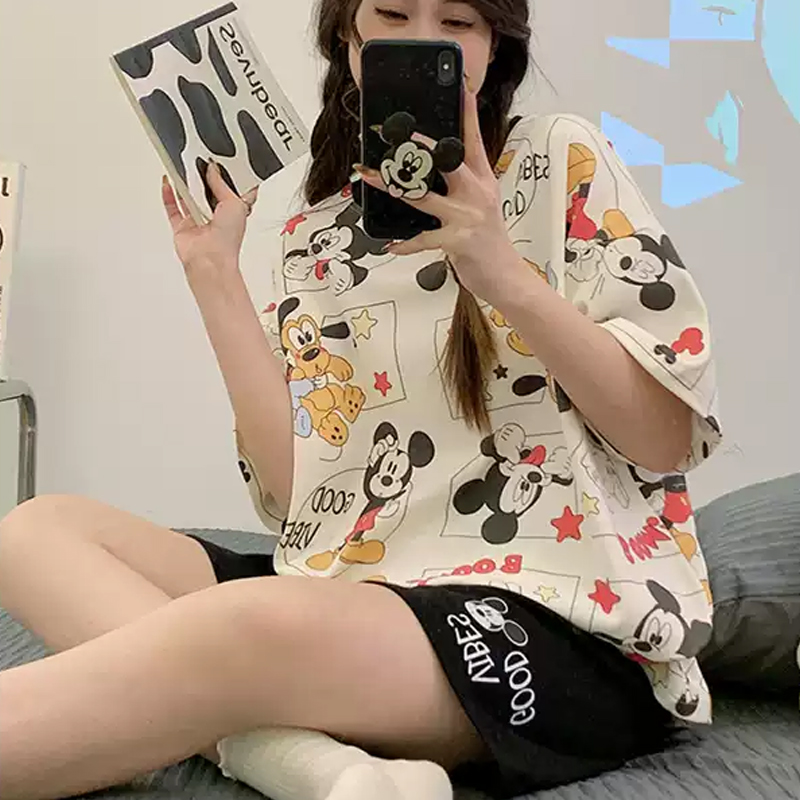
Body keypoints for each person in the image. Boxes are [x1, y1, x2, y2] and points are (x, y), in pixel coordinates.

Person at [0, 1, 723, 799]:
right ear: (347, 37)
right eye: (392, 14)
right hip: (352, 589)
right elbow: (299, 499)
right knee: (36, 533)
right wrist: (213, 272)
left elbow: (664, 438)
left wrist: (502, 273)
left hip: (552, 622)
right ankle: (314, 769)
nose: (423, 40)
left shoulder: (561, 157)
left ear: (495, 46)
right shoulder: (319, 226)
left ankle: (257, 715)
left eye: (458, 22)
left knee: (246, 627)